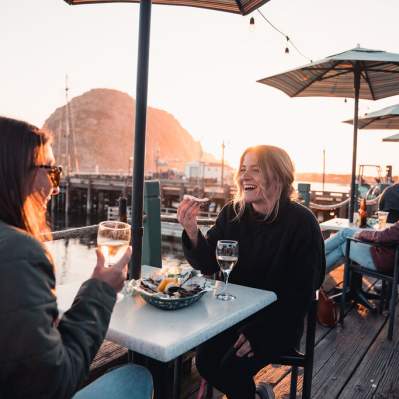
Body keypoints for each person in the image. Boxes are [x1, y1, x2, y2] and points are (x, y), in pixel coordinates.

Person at [0, 117, 153, 399]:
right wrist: (102, 289)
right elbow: (53, 383)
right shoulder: (20, 252)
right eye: (50, 171)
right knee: (135, 378)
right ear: (14, 172)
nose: (57, 187)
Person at [177, 145, 325, 399]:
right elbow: (209, 263)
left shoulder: (302, 223)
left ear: (278, 176)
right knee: (205, 361)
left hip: (278, 322)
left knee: (232, 369)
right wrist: (192, 230)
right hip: (233, 316)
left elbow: (303, 290)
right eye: (243, 169)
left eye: (255, 170)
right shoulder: (232, 214)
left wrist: (263, 331)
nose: (245, 176)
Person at [325, 222, 399, 274]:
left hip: (384, 262)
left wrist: (361, 234)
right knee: (346, 236)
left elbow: (382, 237)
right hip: (390, 260)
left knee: (344, 240)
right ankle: (316, 272)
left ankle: (315, 257)